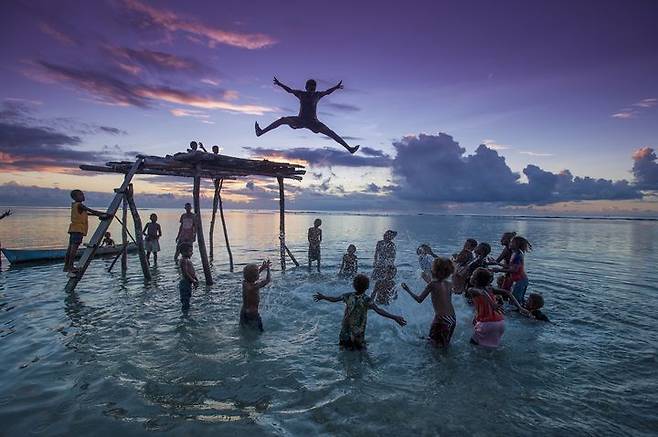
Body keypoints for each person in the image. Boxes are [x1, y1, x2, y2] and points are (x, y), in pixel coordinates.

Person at [255, 77, 360, 154]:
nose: (312, 90)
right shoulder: (301, 94)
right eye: (310, 88)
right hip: (300, 120)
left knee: (331, 133)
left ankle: (349, 149)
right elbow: (290, 90)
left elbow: (327, 92)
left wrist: (336, 87)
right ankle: (261, 132)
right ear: (306, 87)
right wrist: (279, 84)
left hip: (314, 122)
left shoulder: (317, 95)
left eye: (313, 88)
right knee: (282, 120)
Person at [313, 274, 406, 350]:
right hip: (358, 330)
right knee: (361, 351)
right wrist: (394, 317)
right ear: (367, 287)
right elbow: (379, 310)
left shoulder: (348, 295)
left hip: (346, 327)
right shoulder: (366, 299)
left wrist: (323, 297)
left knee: (343, 349)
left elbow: (334, 299)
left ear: (354, 286)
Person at [466, 268, 528, 347]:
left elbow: (482, 292)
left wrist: (493, 304)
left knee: (473, 345)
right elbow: (508, 292)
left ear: (475, 280)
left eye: (472, 275)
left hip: (487, 324)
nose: (471, 276)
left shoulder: (471, 290)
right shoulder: (490, 289)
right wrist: (520, 308)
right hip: (500, 322)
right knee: (492, 346)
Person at [401, 257, 456, 348]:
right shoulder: (449, 284)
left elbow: (419, 300)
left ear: (435, 270)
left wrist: (407, 290)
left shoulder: (432, 284)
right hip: (452, 318)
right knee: (444, 344)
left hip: (442, 319)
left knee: (435, 345)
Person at [64, 190, 111, 276]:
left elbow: (87, 213)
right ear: (75, 197)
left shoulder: (75, 205)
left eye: (82, 194)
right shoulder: (80, 205)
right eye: (81, 195)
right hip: (78, 229)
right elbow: (91, 210)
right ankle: (70, 266)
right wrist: (104, 214)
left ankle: (67, 266)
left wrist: (99, 215)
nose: (83, 196)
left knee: (70, 248)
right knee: (73, 249)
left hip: (73, 228)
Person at [491, 236, 532, 305]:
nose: (510, 243)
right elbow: (511, 266)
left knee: (515, 301)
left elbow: (514, 270)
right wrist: (498, 264)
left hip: (521, 281)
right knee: (515, 300)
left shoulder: (518, 255)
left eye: (512, 242)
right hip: (517, 280)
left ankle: (520, 314)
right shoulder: (514, 253)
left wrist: (499, 270)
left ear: (517, 244)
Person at [241, 260, 272, 332]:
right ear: (256, 277)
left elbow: (252, 276)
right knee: (260, 331)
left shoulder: (244, 283)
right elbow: (268, 280)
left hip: (243, 311)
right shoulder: (255, 287)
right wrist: (268, 269)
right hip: (253, 313)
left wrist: (262, 268)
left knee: (243, 328)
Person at [178, 242, 199, 313]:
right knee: (185, 300)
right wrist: (193, 280)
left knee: (188, 298)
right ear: (183, 252)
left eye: (191, 251)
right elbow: (185, 273)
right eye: (190, 251)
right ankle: (185, 314)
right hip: (185, 283)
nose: (192, 253)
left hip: (188, 283)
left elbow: (191, 272)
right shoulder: (183, 260)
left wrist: (195, 279)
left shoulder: (187, 260)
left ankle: (187, 312)